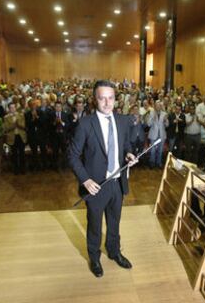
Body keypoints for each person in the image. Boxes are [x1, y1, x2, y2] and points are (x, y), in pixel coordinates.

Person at [68, 80, 137, 278]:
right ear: (95, 100)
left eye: (111, 98)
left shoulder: (123, 121)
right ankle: (95, 257)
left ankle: (114, 252)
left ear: (116, 99)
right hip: (95, 186)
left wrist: (129, 155)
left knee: (114, 222)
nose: (107, 103)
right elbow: (72, 155)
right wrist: (85, 180)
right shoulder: (85, 123)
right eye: (102, 98)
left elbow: (126, 146)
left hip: (117, 183)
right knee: (95, 225)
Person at [3, 103, 27, 174]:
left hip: (21, 136)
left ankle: (23, 169)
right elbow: (6, 128)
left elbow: (24, 126)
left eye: (13, 107)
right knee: (14, 154)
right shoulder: (6, 117)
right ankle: (16, 169)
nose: (12, 109)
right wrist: (14, 125)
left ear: (15, 108)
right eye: (11, 108)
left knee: (22, 153)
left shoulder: (21, 115)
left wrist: (18, 124)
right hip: (12, 138)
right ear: (9, 109)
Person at [147, 101, 169, 168]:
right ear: (154, 106)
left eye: (159, 106)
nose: (158, 107)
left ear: (161, 106)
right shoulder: (151, 113)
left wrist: (165, 120)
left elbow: (167, 125)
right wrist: (152, 118)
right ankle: (152, 163)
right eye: (156, 105)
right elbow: (148, 124)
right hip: (153, 135)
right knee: (152, 150)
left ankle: (158, 163)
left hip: (162, 135)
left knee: (160, 150)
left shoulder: (164, 113)